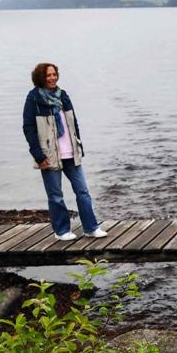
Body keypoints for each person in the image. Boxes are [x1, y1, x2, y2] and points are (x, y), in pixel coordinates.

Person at [22, 63, 107, 241]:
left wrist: (79, 146)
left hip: (71, 153)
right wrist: (38, 155)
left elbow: (73, 123)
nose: (53, 78)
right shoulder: (34, 99)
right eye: (48, 75)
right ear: (40, 78)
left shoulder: (63, 95)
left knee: (83, 191)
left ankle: (91, 228)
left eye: (54, 74)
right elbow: (29, 129)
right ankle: (61, 231)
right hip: (49, 155)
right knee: (56, 196)